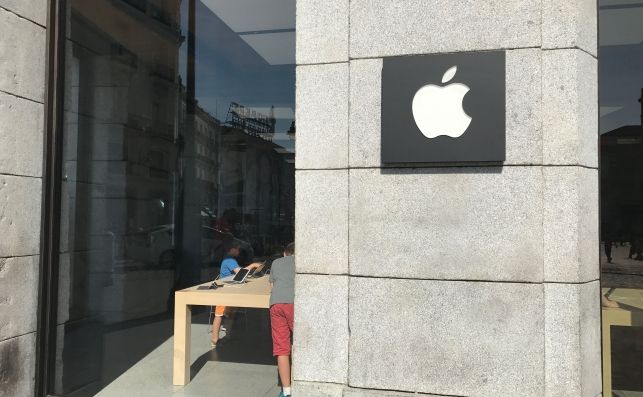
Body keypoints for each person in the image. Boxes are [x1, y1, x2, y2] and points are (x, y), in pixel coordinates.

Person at [210, 239, 262, 347]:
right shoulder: (229, 260)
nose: (239, 251)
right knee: (219, 315)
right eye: (237, 249)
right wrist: (252, 266)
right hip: (225, 292)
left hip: (229, 290)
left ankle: (227, 336)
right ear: (232, 249)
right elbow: (240, 273)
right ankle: (215, 339)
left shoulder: (229, 259)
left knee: (229, 315)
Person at [269, 242, 295, 397]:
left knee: (281, 348)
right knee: (298, 344)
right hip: (294, 304)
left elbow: (272, 284)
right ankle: (300, 384)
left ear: (285, 253)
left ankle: (286, 391)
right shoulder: (302, 262)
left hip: (276, 304)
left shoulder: (276, 262)